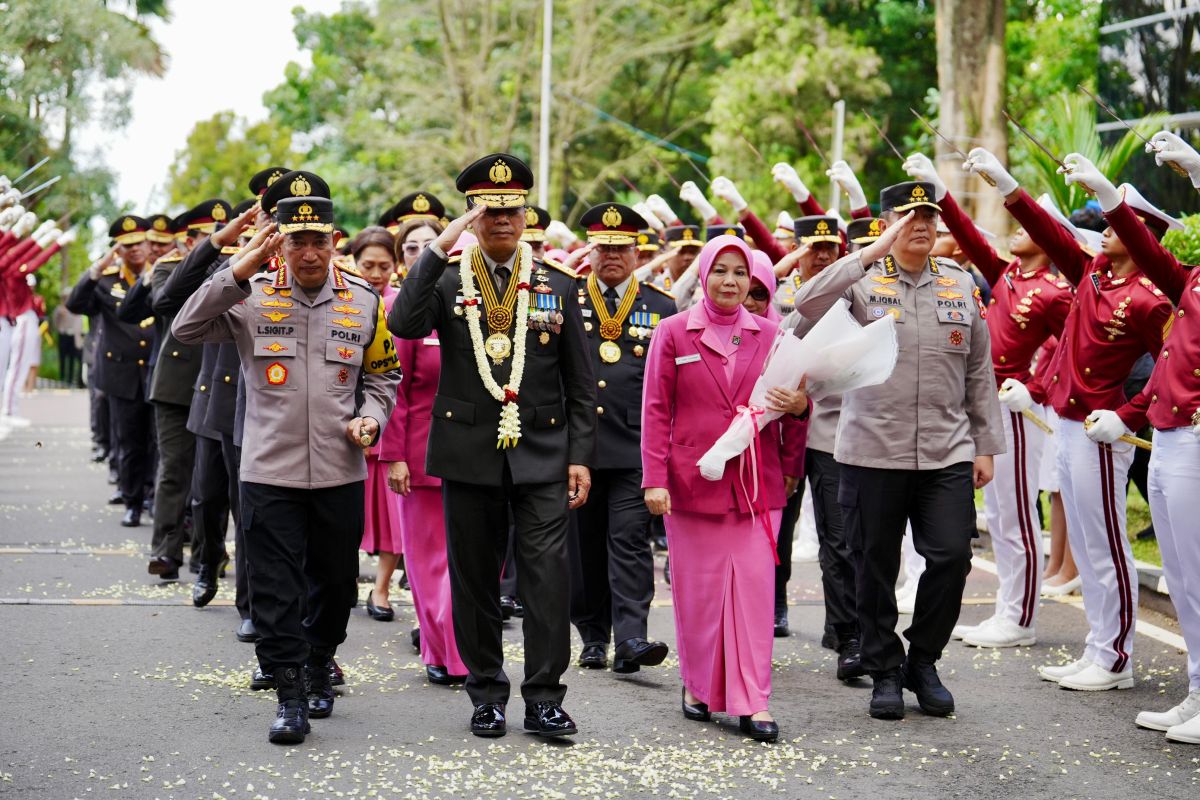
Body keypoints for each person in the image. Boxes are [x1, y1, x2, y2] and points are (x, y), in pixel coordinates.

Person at [174, 179, 402, 745]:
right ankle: (290, 694)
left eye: (317, 241)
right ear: (280, 243)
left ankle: (322, 658)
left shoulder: (362, 300)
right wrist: (237, 270)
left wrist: (372, 417)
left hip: (339, 469)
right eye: (295, 240)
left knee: (333, 586)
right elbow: (185, 327)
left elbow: (383, 375)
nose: (307, 252)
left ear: (333, 243)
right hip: (267, 471)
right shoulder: (250, 296)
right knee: (275, 589)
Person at [388, 153, 597, 740]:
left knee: (547, 580)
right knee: (475, 580)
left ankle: (545, 697)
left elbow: (580, 383)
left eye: (511, 209)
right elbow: (404, 323)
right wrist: (438, 247)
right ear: (473, 217)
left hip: (546, 452)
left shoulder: (559, 283)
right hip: (468, 450)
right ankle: (485, 693)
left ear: (526, 213)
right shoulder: (450, 278)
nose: (502, 219)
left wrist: (580, 455)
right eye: (488, 210)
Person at [793, 182, 1004, 721]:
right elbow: (805, 300)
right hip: (870, 451)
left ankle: (923, 660)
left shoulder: (960, 286)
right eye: (910, 216)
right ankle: (885, 669)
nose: (922, 225)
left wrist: (985, 444)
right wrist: (866, 253)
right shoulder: (862, 283)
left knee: (953, 556)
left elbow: (979, 371)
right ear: (888, 223)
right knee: (873, 564)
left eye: (930, 216)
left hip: (946, 450)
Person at [966, 149, 1173, 692]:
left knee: (1106, 542)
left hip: (1100, 432)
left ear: (1145, 239)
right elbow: (1049, 231)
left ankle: (1116, 656)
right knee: (1084, 541)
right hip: (1064, 421)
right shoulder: (1092, 276)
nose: (1103, 231)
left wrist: (1125, 413)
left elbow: (1169, 366)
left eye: (1118, 225)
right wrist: (1008, 185)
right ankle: (1097, 646)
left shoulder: (1150, 301)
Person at [642, 233, 808, 743]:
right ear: (705, 275)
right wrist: (654, 480)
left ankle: (753, 700)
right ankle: (697, 686)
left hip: (757, 484)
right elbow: (655, 410)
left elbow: (796, 409)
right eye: (721, 271)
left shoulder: (774, 335)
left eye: (741, 274)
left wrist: (798, 421)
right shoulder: (672, 332)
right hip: (691, 484)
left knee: (755, 595)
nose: (731, 281)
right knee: (699, 595)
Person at [904, 152, 1074, 649]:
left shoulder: (1052, 291)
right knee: (998, 513)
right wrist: (938, 189)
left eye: (1028, 227)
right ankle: (1008, 608)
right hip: (980, 400)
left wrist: (1038, 389)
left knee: (1015, 511)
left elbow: (1073, 347)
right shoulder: (1010, 277)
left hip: (1014, 406)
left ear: (1047, 239)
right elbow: (972, 239)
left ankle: (1019, 619)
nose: (1014, 231)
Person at [568, 202, 676, 674]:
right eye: (604, 247)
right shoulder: (566, 298)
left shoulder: (660, 305)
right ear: (590, 251)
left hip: (635, 445)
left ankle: (632, 637)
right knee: (584, 545)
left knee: (630, 541)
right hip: (579, 447)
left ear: (638, 252)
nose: (612, 255)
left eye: (622, 248)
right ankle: (593, 635)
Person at [380, 220, 470, 684]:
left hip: (479, 456)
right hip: (421, 457)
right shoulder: (405, 309)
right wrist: (393, 455)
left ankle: (466, 649)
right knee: (431, 562)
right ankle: (443, 653)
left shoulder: (489, 313)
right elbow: (393, 387)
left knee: (471, 563)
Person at [66, 216, 157, 528]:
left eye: (139, 244)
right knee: (129, 441)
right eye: (126, 246)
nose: (134, 251)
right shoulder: (106, 280)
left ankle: (151, 495)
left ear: (148, 243)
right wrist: (97, 267)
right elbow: (76, 304)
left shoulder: (161, 274)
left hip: (156, 372)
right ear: (118, 250)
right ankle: (132, 501)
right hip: (122, 375)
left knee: (155, 440)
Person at [350, 226, 405, 621]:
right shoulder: (344, 301)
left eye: (384, 266)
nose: (375, 273)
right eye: (367, 264)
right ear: (353, 263)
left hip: (390, 424)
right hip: (346, 425)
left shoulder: (401, 305)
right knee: (350, 514)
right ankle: (345, 576)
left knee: (392, 516)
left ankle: (381, 587)